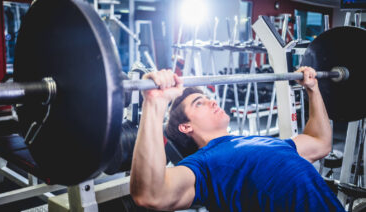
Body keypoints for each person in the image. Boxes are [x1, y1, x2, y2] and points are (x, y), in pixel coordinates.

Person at [130, 66, 345, 211]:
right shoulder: (202, 164)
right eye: (199, 103)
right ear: (186, 127)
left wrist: (313, 89)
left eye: (208, 98)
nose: (212, 102)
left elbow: (320, 141)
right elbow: (152, 194)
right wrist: (154, 103)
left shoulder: (262, 142)